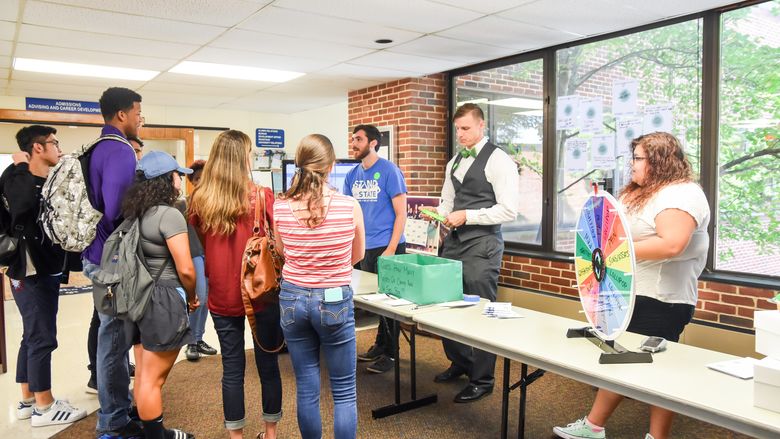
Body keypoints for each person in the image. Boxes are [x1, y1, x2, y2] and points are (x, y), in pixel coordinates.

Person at [553, 132, 710, 439]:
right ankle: (594, 425)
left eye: (638, 158)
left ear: (660, 162)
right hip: (627, 290)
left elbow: (671, 244)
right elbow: (614, 232)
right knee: (622, 357)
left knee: (658, 369)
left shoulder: (681, 193)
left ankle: (651, 436)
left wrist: (612, 251)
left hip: (663, 297)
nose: (632, 165)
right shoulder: (639, 192)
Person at [424, 103, 520, 403]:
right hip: (454, 242)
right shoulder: (454, 161)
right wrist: (436, 214)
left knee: (481, 310)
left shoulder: (500, 161)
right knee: (449, 304)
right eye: (458, 130)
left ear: (482, 127)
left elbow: (509, 210)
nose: (461, 135)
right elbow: (448, 203)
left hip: (483, 244)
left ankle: (483, 378)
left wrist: (468, 216)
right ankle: (461, 362)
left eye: (466, 128)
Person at [189, 130, 283, 439]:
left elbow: (201, 241)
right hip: (259, 291)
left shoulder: (200, 199)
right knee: (267, 363)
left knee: (232, 368)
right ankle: (270, 433)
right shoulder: (261, 196)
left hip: (221, 292)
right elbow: (278, 246)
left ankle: (236, 437)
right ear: (243, 158)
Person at [274, 134, 365, 439]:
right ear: (331, 166)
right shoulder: (348, 206)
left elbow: (282, 250)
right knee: (343, 392)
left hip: (292, 298)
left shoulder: (281, 206)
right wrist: (332, 264)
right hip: (335, 299)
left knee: (307, 387)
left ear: (298, 165)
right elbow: (358, 254)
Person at [2, 125, 88, 427]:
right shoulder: (17, 177)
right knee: (42, 338)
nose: (59, 148)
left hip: (43, 268)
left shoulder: (42, 179)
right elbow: (21, 210)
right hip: (31, 270)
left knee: (31, 335)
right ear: (38, 148)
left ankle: (28, 399)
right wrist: (22, 166)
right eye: (54, 143)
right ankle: (44, 406)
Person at [82, 87, 145, 438]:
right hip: (112, 259)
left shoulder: (97, 148)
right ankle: (113, 421)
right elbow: (119, 210)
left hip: (96, 253)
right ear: (122, 115)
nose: (140, 119)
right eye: (138, 112)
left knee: (112, 339)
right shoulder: (120, 151)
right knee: (114, 342)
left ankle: (116, 410)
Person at [122, 151, 198, 439]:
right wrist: (192, 297)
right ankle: (155, 436)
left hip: (138, 297)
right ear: (167, 180)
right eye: (177, 175)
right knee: (154, 379)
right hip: (163, 300)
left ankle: (152, 431)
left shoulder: (135, 212)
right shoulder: (169, 215)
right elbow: (187, 269)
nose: (180, 179)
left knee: (143, 373)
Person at [344, 124, 407, 374]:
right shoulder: (352, 175)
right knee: (373, 301)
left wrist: (391, 249)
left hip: (387, 245)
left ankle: (391, 355)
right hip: (364, 247)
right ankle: (381, 345)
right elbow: (350, 213)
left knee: (389, 303)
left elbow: (401, 214)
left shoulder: (390, 171)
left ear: (373, 143)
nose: (354, 143)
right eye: (353, 139)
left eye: (359, 139)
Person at [176, 160, 218, 361]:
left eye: (205, 177)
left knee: (208, 300)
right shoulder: (184, 203)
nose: (202, 182)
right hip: (194, 254)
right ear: (191, 181)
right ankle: (190, 342)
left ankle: (198, 338)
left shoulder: (216, 202)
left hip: (212, 254)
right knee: (198, 297)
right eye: (197, 178)